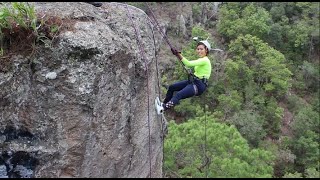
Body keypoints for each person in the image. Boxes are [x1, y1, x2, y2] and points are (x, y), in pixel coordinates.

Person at [161, 40, 212, 111]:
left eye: (201, 49)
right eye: (198, 49)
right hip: (194, 81)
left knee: (179, 95)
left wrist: (178, 54)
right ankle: (164, 104)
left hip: (199, 85)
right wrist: (177, 55)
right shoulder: (201, 60)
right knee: (172, 87)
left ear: (206, 50)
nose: (199, 51)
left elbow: (188, 63)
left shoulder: (205, 60)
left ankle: (164, 108)